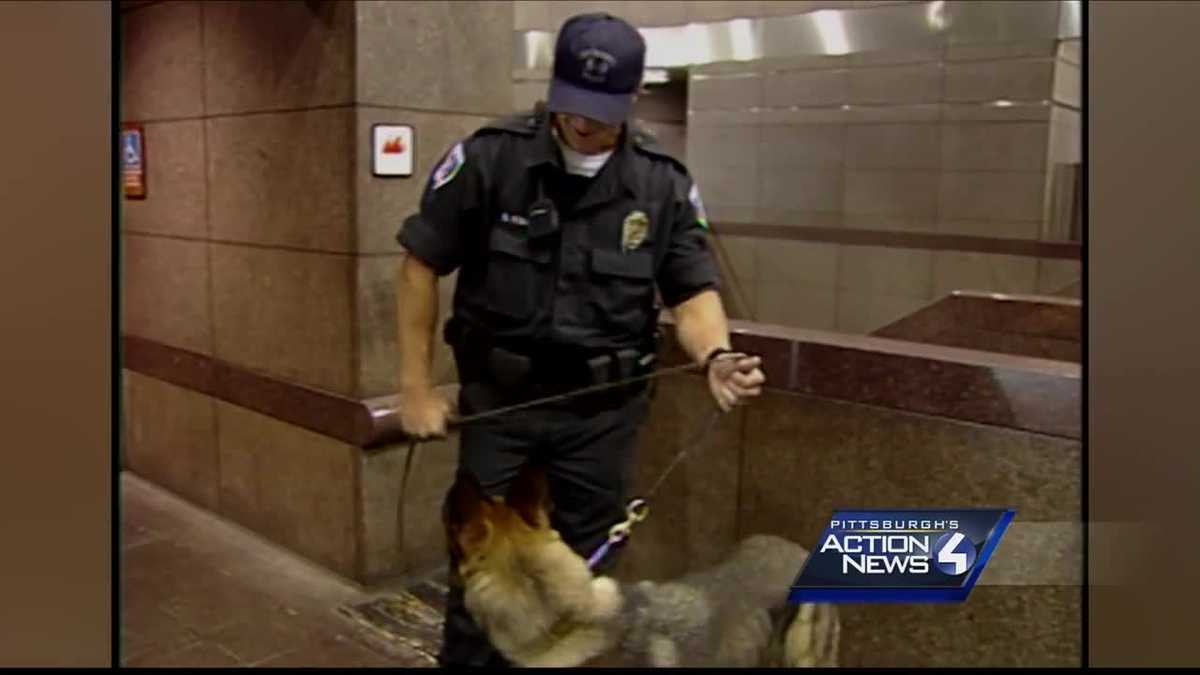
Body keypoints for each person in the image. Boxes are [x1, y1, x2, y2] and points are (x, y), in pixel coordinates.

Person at [394, 12, 766, 668]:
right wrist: (416, 388)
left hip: (602, 416)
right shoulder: (491, 158)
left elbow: (692, 291)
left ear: (632, 97)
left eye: (602, 111)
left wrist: (715, 354)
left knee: (589, 581)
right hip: (502, 405)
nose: (585, 123)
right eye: (573, 106)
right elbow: (420, 265)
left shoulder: (661, 182)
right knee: (481, 572)